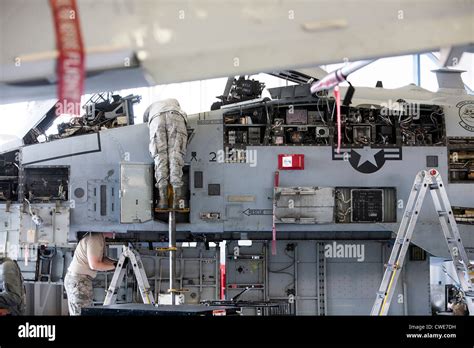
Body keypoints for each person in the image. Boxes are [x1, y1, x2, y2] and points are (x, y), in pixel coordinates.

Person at [145, 98, 188, 209]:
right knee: (175, 156)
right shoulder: (175, 103)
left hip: (156, 119)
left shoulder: (152, 106)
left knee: (160, 158)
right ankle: (176, 199)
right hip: (176, 116)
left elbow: (145, 119)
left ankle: (163, 199)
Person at [64, 232, 116, 315]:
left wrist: (117, 263)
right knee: (81, 313)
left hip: (79, 280)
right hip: (79, 281)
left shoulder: (99, 238)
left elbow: (102, 260)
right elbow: (94, 265)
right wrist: (114, 266)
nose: (116, 232)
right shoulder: (94, 239)